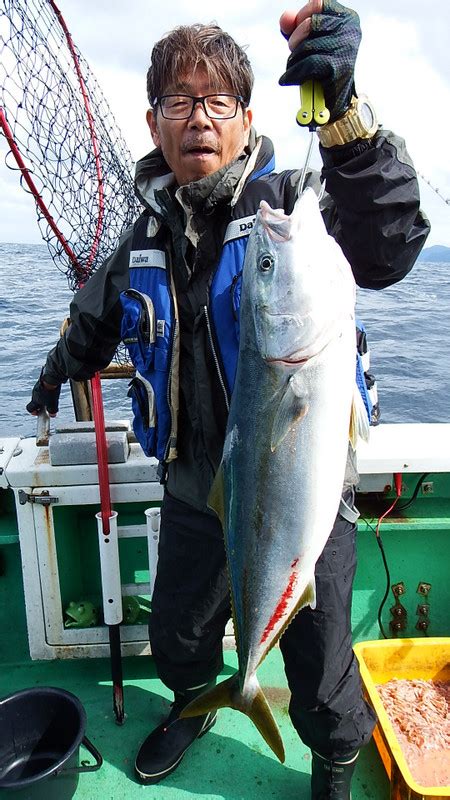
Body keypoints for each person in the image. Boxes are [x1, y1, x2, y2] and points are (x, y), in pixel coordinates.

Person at [27, 1, 430, 797]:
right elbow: (93, 324)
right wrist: (49, 379)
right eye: (179, 103)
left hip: (302, 488)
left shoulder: (292, 210)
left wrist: (345, 114)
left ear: (247, 119)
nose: (199, 121)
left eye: (218, 103)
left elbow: (387, 242)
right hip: (194, 483)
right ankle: (197, 699)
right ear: (153, 120)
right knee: (178, 632)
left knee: (319, 664)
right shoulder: (139, 241)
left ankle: (335, 758)